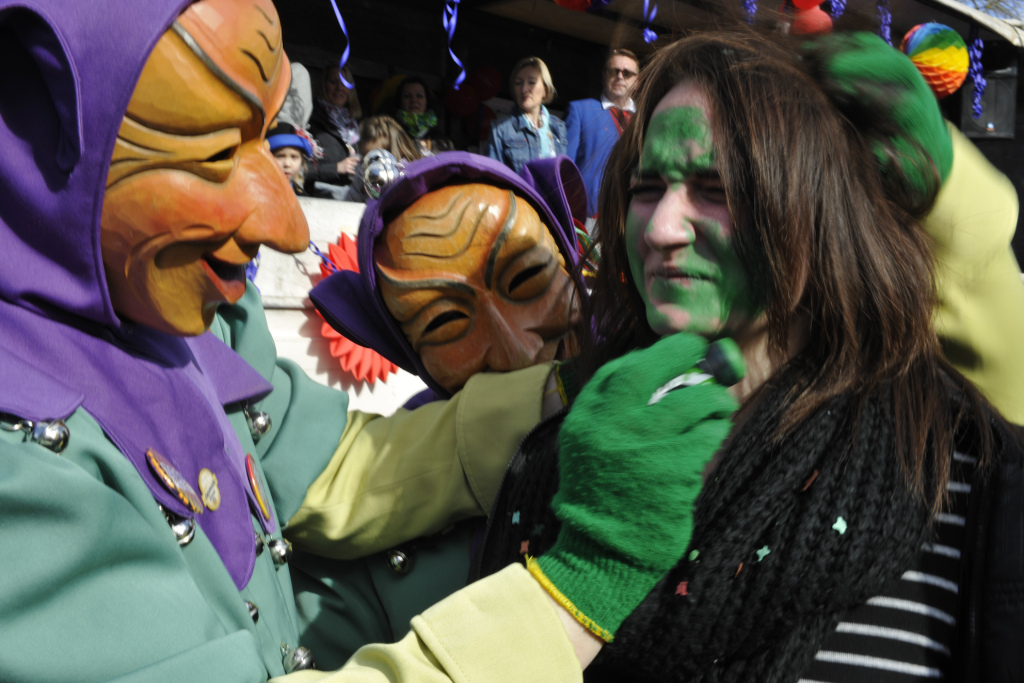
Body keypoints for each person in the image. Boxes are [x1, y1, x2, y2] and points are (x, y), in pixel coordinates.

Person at [0, 0, 723, 679]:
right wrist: (571, 598)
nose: (284, 223)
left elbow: (329, 470)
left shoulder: (177, 317)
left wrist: (565, 387)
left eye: (267, 137)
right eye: (219, 151)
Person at [473, 30, 1024, 682]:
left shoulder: (947, 469)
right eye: (649, 187)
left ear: (822, 214)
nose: (660, 228)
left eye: (717, 187)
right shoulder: (563, 446)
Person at [293, 151, 588, 667]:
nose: (517, 351)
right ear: (410, 353)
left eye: (527, 280)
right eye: (446, 323)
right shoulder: (373, 536)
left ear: (570, 262)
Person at [565, 48, 640, 217]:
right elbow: (566, 169)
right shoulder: (580, 110)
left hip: (633, 215)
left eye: (627, 73)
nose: (620, 76)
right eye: (614, 71)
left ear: (637, 81)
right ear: (604, 75)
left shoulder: (647, 118)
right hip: (589, 216)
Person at [488, 56, 568, 174]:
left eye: (532, 82)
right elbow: (492, 177)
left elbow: (566, 176)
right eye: (518, 83)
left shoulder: (559, 127)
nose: (524, 89)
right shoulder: (501, 129)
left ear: (545, 89)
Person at [342, 115, 424, 203]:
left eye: (377, 158)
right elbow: (350, 202)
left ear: (396, 150)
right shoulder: (362, 174)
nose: (372, 165)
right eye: (367, 157)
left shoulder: (412, 172)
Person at [307, 64, 361, 192]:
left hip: (352, 198)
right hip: (320, 199)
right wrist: (336, 168)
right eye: (333, 82)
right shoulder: (311, 120)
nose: (339, 88)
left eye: (345, 83)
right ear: (323, 86)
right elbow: (298, 168)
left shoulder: (355, 125)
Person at [268, 121, 331, 198]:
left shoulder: (302, 197)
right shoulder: (253, 192)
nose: (287, 164)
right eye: (280, 156)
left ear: (302, 161)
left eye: (294, 157)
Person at [391, 76, 453, 155]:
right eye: (407, 96)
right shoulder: (390, 135)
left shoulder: (443, 142)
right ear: (400, 102)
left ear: (427, 101)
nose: (413, 100)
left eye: (419, 96)